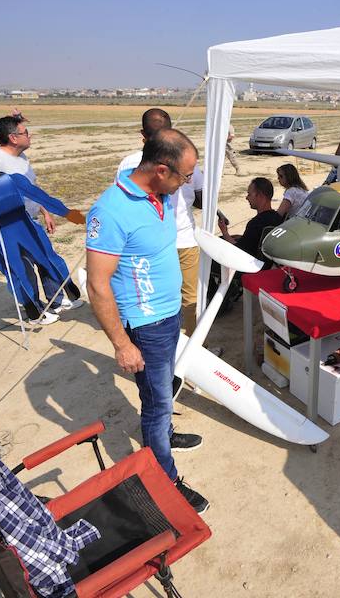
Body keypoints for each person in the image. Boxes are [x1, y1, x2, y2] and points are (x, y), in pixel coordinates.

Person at [85, 129, 209, 513]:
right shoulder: (110, 212)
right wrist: (122, 344)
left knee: (162, 391)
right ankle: (166, 480)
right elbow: (97, 284)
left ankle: (165, 436)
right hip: (146, 324)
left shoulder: (162, 194)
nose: (187, 184)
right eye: (185, 176)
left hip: (168, 316)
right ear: (160, 169)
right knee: (155, 404)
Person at [0, 151, 85, 324]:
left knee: (17, 272)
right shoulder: (11, 179)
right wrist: (67, 213)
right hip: (27, 232)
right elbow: (43, 198)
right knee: (48, 259)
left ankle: (35, 310)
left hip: (2, 241)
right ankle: (67, 291)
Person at [0, 113, 83, 319]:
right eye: (25, 132)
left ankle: (55, 300)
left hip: (31, 220)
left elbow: (32, 188)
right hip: (11, 225)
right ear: (13, 138)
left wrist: (45, 211)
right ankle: (35, 311)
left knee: (47, 258)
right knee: (24, 267)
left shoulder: (21, 157)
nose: (30, 136)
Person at [117, 108, 202, 335]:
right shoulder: (183, 160)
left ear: (143, 134)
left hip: (149, 242)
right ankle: (191, 342)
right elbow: (202, 199)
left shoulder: (128, 164)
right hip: (180, 241)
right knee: (189, 297)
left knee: (151, 295)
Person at [218, 177, 283, 266]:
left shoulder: (256, 223)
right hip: (267, 264)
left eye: (249, 194)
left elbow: (239, 249)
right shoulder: (278, 218)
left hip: (249, 265)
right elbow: (253, 240)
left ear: (260, 196)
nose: (247, 198)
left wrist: (225, 232)